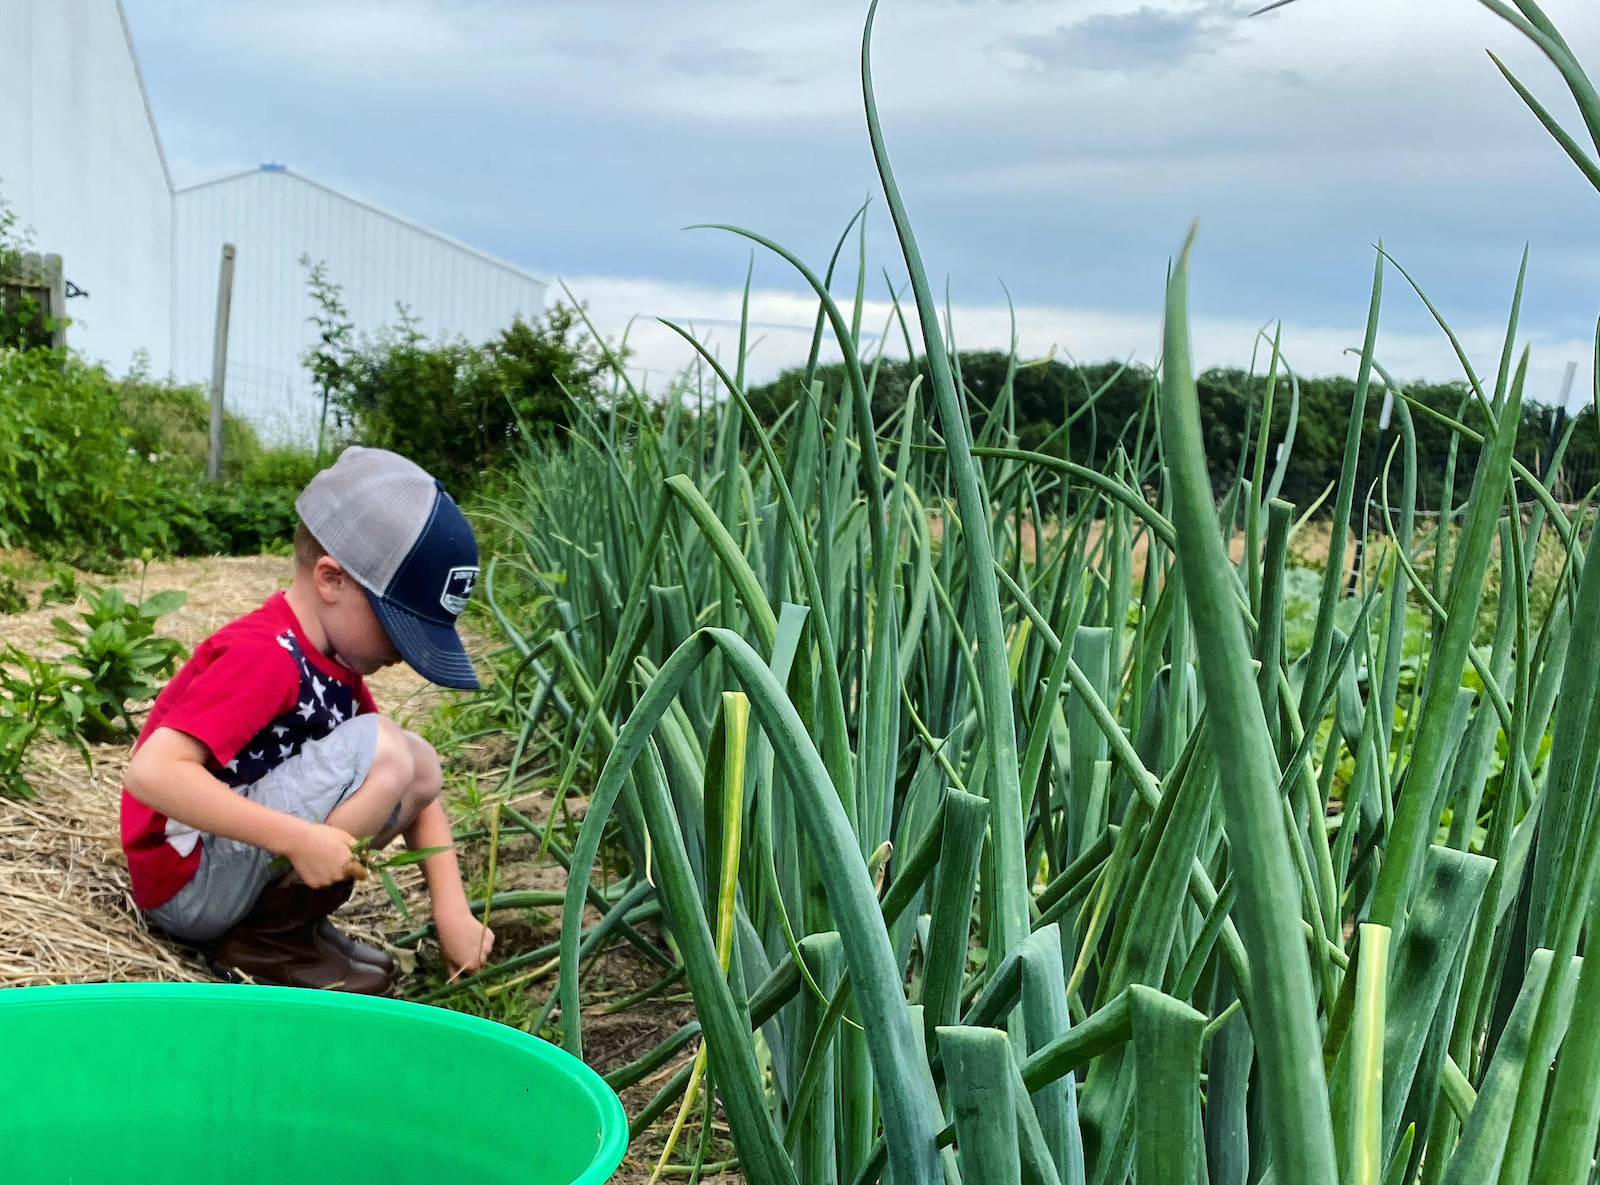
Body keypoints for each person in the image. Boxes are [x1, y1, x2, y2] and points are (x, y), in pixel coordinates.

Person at [121, 447, 495, 994]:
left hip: (228, 868)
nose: (403, 653)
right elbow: (151, 774)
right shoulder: (265, 655)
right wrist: (298, 839)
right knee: (387, 749)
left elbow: (422, 788)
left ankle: (291, 929)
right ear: (330, 580)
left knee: (418, 760)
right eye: (398, 625)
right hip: (189, 880)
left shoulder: (331, 663)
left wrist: (451, 910)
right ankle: (266, 941)